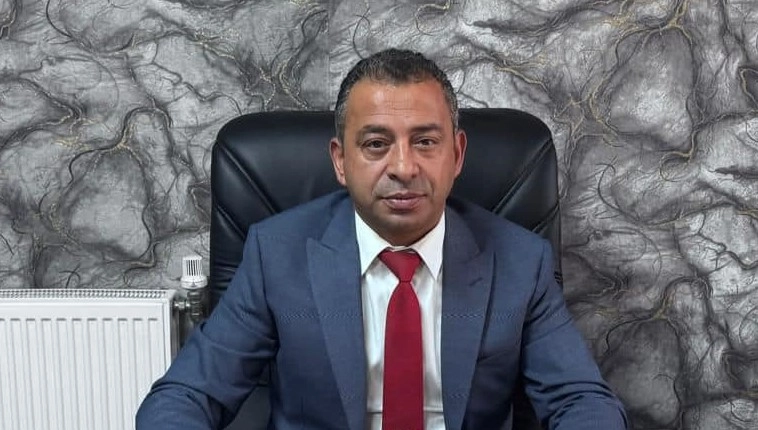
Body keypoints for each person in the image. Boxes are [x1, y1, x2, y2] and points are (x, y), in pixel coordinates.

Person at [137, 49, 628, 429]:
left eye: (425, 141)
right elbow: (186, 396)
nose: (403, 167)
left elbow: (581, 400)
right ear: (340, 161)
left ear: (457, 155)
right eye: (376, 144)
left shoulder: (521, 261)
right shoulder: (277, 254)